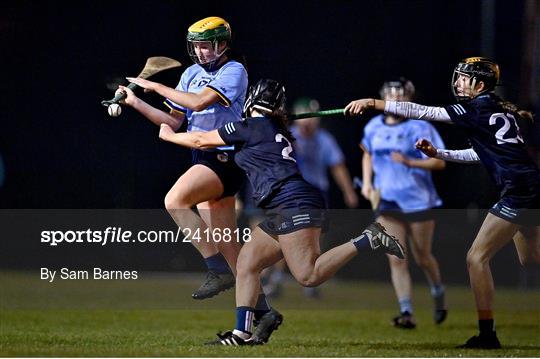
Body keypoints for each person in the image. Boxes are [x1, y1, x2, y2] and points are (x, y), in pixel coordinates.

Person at [158, 78, 405, 345]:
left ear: (252, 99)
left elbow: (200, 139)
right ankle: (241, 334)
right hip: (284, 204)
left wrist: (170, 136)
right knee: (246, 263)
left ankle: (369, 238)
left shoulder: (248, 127)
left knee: (308, 276)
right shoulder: (272, 128)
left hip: (293, 203)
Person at [345, 57, 540, 349]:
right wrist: (439, 153)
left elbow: (423, 111)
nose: (458, 82)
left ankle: (487, 335)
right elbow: (479, 155)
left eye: (464, 78)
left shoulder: (477, 107)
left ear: (480, 84)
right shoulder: (495, 109)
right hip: (530, 186)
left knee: (476, 258)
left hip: (520, 190)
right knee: (530, 259)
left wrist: (374, 102)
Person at [117, 16, 247, 300]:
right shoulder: (190, 74)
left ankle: (216, 270)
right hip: (201, 157)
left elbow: (200, 102)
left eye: (206, 45)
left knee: (174, 201)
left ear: (222, 43)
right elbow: (173, 121)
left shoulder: (234, 70)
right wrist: (135, 101)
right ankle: (260, 314)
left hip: (224, 158)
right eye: (196, 46)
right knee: (229, 247)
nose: (200, 51)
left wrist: (155, 87)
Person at [360, 78, 447, 329]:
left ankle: (437, 290)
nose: (395, 100)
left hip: (419, 201)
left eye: (400, 96)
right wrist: (367, 183)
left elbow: (439, 161)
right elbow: (367, 154)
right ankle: (406, 312)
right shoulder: (374, 125)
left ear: (409, 99)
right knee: (396, 257)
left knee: (423, 257)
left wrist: (411, 163)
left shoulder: (420, 126)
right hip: (388, 201)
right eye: (390, 95)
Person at [262, 97, 359, 298]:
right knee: (286, 236)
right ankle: (277, 279)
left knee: (315, 240)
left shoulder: (325, 140)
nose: (308, 123)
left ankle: (313, 281)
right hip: (293, 193)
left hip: (317, 194)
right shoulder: (289, 135)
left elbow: (337, 166)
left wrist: (348, 191)